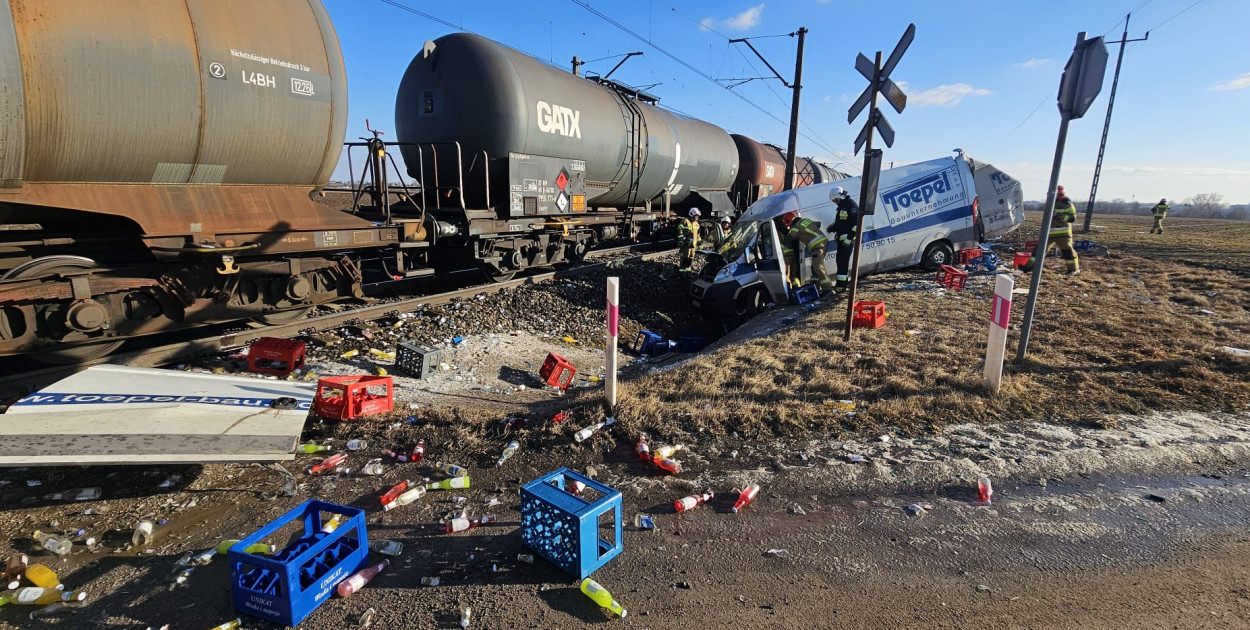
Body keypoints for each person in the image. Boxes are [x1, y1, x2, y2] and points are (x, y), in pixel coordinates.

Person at [1023, 185, 1080, 275]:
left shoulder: (1068, 204)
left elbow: (1072, 219)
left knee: (1067, 252)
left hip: (1063, 234)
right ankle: (1029, 267)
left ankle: (1073, 270)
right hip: (1049, 233)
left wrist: (1057, 215)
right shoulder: (1050, 203)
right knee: (1039, 250)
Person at [780, 210, 832, 292]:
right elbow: (818, 224)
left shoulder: (795, 228)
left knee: (818, 267)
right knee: (814, 268)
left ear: (789, 221)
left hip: (817, 247)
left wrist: (785, 233)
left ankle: (828, 289)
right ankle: (816, 287)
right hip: (823, 243)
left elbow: (788, 239)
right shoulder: (805, 220)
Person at [827, 186, 860, 293]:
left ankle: (841, 286)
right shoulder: (842, 207)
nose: (835, 202)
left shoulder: (851, 206)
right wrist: (833, 228)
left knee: (842, 262)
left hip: (847, 241)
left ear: (840, 196)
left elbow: (857, 224)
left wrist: (849, 239)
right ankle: (841, 284)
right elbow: (842, 222)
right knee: (840, 261)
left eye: (835, 200)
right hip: (841, 241)